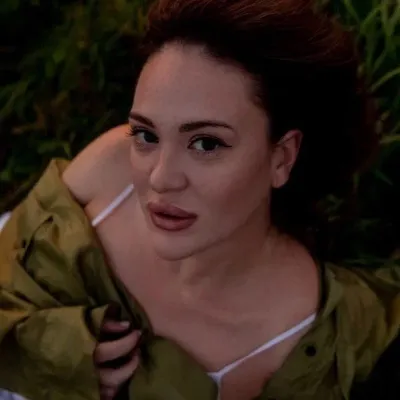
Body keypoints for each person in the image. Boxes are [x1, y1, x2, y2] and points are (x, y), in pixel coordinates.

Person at [0, 0, 399, 399]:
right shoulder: (111, 166)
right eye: (147, 135)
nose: (160, 177)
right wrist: (56, 356)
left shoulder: (309, 346)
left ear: (281, 158)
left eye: (206, 144)